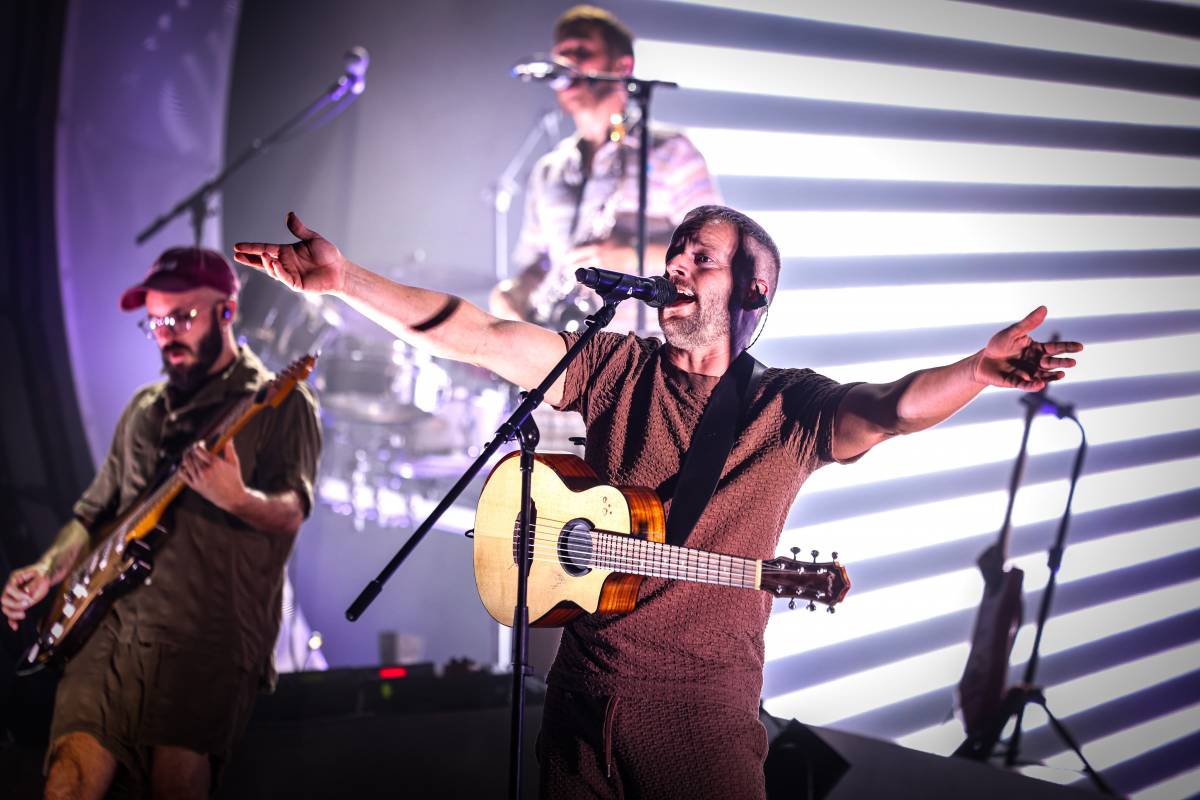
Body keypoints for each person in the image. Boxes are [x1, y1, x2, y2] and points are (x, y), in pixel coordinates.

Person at [232, 206, 1082, 798]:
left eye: (700, 258)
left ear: (750, 294)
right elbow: (484, 339)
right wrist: (344, 282)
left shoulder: (786, 406)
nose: (675, 264)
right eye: (676, 250)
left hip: (699, 717)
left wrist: (974, 373)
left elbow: (893, 406)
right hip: (579, 696)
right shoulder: (619, 367)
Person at [1, 247, 321, 799]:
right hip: (108, 626)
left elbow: (291, 512)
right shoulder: (143, 410)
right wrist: (50, 567)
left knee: (177, 783)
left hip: (205, 634)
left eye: (181, 317)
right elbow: (92, 512)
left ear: (227, 312)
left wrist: (236, 497)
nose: (165, 332)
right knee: (68, 779)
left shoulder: (279, 403)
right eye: (154, 322)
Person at [491, 4, 720, 333]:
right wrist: (514, 294)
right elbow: (538, 263)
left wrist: (626, 258)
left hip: (643, 355)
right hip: (567, 351)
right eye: (562, 55)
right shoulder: (548, 171)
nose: (567, 65)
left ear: (622, 66)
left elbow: (715, 257)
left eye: (582, 52)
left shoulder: (672, 153)